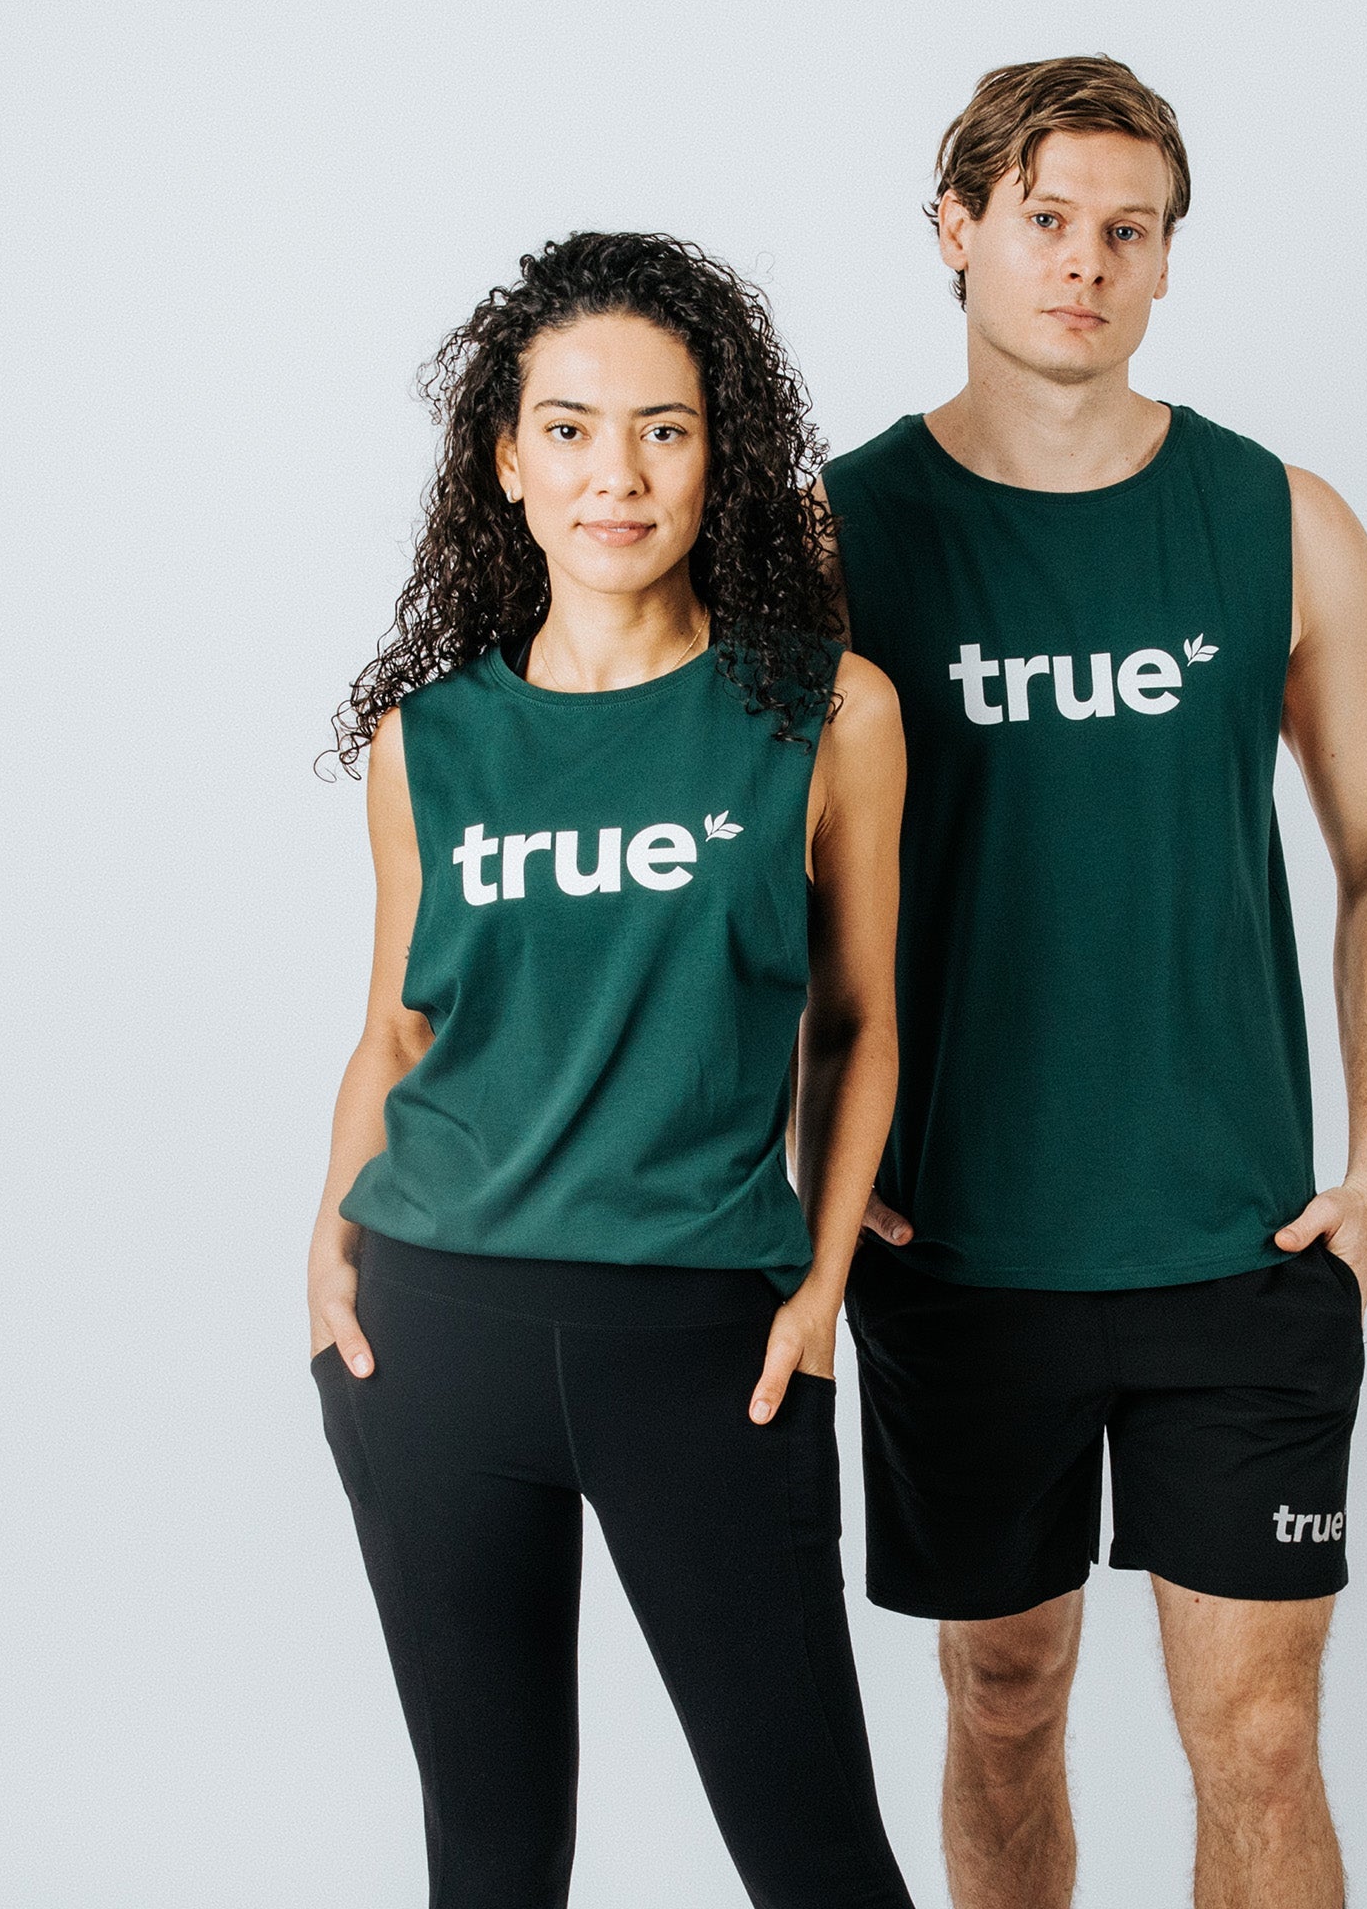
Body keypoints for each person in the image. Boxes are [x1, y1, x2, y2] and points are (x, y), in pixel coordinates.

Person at [818, 58, 1367, 1909]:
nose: (1084, 263)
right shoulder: (841, 540)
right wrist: (815, 1171)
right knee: (1001, 1693)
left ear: (1167, 259)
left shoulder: (1281, 520)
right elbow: (757, 892)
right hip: (960, 1259)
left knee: (1257, 1734)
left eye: (1127, 232)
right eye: (1045, 221)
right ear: (958, 231)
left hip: (1237, 1256)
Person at [308, 231, 914, 1909]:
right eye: (569, 428)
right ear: (505, 462)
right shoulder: (430, 742)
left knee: (817, 1861)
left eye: (664, 427)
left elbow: (861, 1022)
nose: (616, 472)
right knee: (491, 1864)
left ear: (718, 455)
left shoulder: (824, 713)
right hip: (431, 1333)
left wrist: (820, 1290)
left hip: (705, 1342)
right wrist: (325, 1242)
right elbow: (397, 1027)